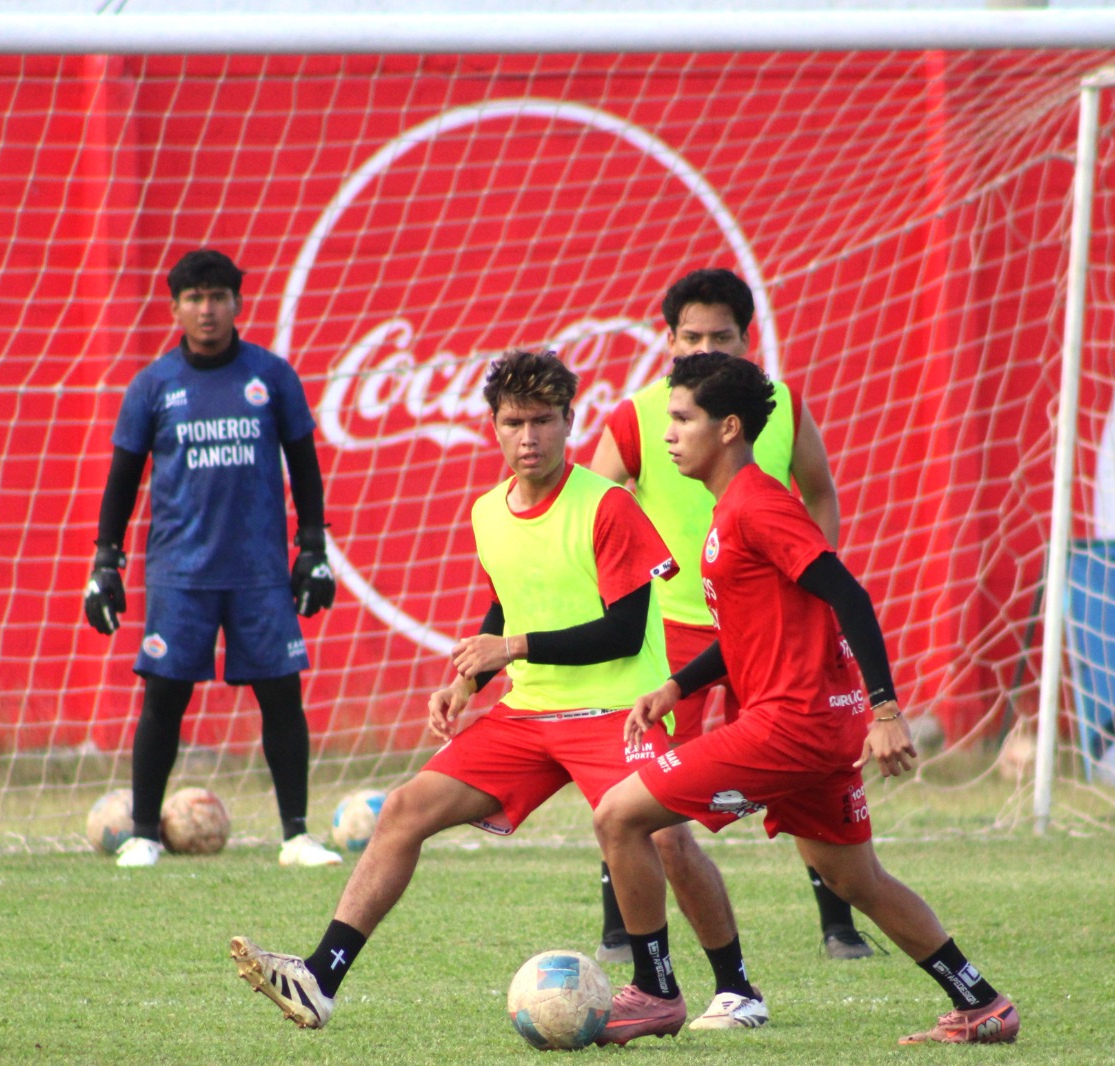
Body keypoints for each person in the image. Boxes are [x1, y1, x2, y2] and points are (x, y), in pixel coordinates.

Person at [229, 350, 762, 1042]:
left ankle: (723, 989)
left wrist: (508, 650)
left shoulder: (607, 506)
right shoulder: (488, 511)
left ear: (571, 422)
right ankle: (321, 977)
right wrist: (467, 679)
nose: (529, 437)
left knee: (665, 840)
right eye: (515, 422)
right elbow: (506, 604)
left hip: (615, 713)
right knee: (404, 810)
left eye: (544, 420)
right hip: (529, 716)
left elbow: (625, 632)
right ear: (494, 427)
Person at [591, 352, 1019, 1045]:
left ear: (728, 428)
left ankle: (653, 992)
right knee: (857, 881)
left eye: (681, 418)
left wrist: (887, 710)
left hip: (789, 727)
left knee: (620, 818)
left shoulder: (758, 505)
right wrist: (676, 684)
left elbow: (848, 592)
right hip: (815, 726)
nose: (668, 434)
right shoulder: (734, 508)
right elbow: (751, 635)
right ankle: (982, 1003)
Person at [586, 267, 872, 961]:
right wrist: (624, 599)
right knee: (644, 779)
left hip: (767, 630)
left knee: (797, 761)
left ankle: (837, 921)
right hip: (674, 634)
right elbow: (595, 508)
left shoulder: (776, 408)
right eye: (691, 336)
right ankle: (623, 931)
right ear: (669, 338)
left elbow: (821, 492)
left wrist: (809, 570)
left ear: (747, 338)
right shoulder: (640, 414)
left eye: (721, 335)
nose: (705, 345)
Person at [83, 248, 343, 869]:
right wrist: (105, 561)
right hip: (180, 573)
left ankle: (296, 836)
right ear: (175, 308)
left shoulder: (272, 377)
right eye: (195, 298)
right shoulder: (154, 385)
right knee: (165, 697)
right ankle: (145, 833)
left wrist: (313, 547)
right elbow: (122, 477)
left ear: (237, 305)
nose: (207, 309)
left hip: (257, 572)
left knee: (281, 695)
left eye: (218, 296)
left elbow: (304, 465)